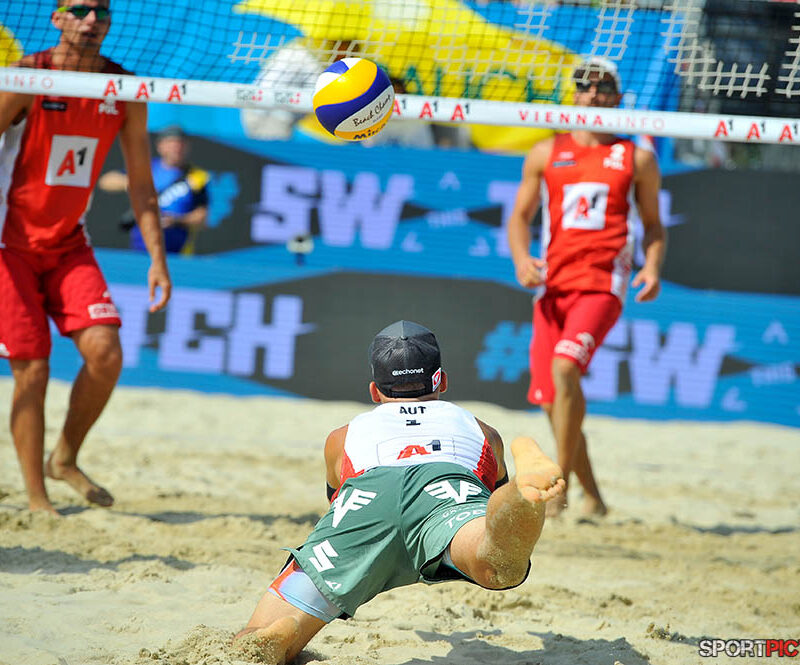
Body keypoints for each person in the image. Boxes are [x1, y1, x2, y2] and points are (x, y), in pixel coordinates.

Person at [233, 320, 565, 663]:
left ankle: (278, 630)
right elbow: (490, 502)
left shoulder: (342, 437)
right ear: (442, 381)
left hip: (367, 499)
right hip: (445, 489)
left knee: (254, 637)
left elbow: (335, 499)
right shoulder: (482, 432)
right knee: (496, 561)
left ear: (374, 391)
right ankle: (520, 492)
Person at [0, 0, 171, 514]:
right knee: (33, 369)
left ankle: (64, 459)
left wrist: (158, 258)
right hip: (8, 243)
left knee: (106, 353)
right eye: (79, 10)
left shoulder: (122, 88)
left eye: (101, 11)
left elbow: (141, 183)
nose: (91, 19)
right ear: (56, 19)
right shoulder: (28, 77)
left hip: (67, 243)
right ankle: (37, 499)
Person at [506, 56, 667, 517]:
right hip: (553, 288)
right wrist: (522, 260)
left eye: (603, 87)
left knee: (564, 370)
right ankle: (594, 499)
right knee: (552, 403)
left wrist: (652, 267)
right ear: (574, 94)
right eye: (584, 86)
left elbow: (654, 225)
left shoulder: (636, 157)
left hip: (602, 286)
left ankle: (557, 488)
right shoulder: (545, 152)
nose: (593, 94)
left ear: (618, 97)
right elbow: (519, 218)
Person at [98, 125, 210, 254]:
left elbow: (202, 218)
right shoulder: (146, 168)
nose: (176, 148)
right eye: (171, 143)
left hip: (178, 253)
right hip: (141, 249)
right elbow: (105, 181)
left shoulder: (197, 176)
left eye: (180, 143)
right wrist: (132, 184)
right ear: (160, 146)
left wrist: (176, 221)